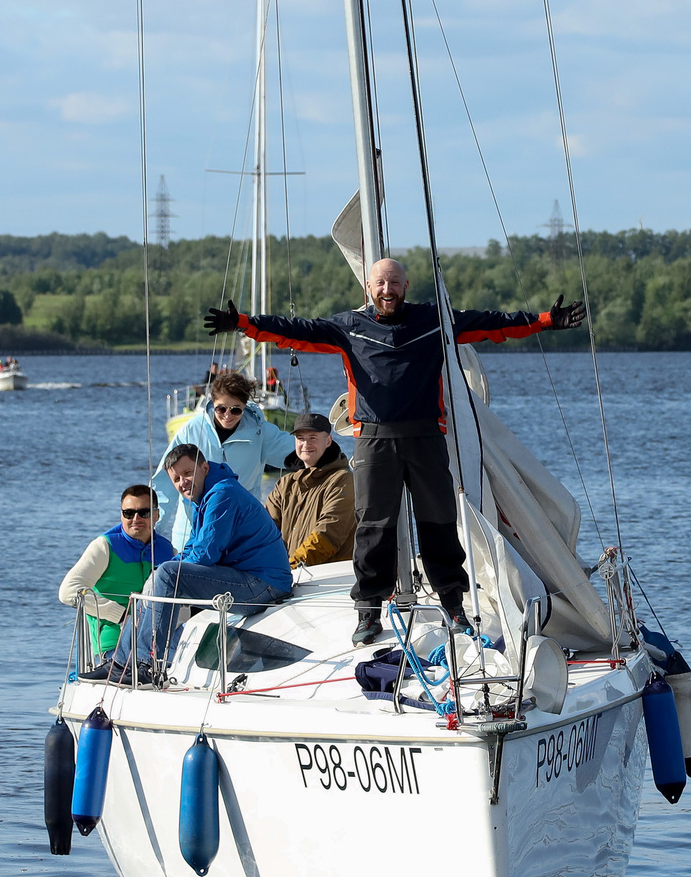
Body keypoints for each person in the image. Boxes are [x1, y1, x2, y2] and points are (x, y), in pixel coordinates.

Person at [207, 257, 585, 640]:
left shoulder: (433, 320)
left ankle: (454, 607)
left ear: (406, 285)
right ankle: (369, 612)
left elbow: (491, 324)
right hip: (374, 441)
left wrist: (545, 321)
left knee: (438, 523)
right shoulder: (349, 327)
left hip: (425, 438)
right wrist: (242, 324)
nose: (387, 290)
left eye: (394, 283)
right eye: (380, 284)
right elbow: (293, 331)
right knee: (374, 528)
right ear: (369, 289)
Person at [116, 442, 294, 672]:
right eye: (177, 479)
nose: (183, 482)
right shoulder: (205, 497)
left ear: (204, 468)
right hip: (248, 578)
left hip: (265, 586)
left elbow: (206, 555)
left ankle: (146, 664)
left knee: (167, 574)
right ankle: (121, 662)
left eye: (188, 473)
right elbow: (193, 547)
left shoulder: (222, 494)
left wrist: (164, 574)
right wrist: (158, 576)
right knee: (159, 575)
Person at [153, 366, 298, 547]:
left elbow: (299, 451)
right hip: (190, 534)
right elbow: (165, 482)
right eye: (221, 409)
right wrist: (152, 532)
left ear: (245, 407)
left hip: (239, 534)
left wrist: (330, 456)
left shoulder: (260, 431)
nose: (227, 415)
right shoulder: (191, 430)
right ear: (212, 403)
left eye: (236, 410)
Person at [56, 484, 172, 666]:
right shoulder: (104, 546)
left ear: (157, 515)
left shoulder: (168, 549)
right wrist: (119, 614)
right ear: (121, 515)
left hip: (158, 643)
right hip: (112, 643)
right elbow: (68, 592)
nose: (136, 518)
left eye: (144, 512)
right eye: (129, 513)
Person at [266, 410, 355, 567]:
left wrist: (291, 567)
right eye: (300, 439)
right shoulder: (285, 484)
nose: (306, 445)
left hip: (331, 579)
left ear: (328, 441)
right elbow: (264, 531)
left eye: (313, 438)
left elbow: (328, 535)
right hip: (289, 576)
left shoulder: (344, 480)